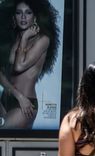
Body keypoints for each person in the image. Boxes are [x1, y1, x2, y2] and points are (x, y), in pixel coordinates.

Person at [0, 0, 60, 129]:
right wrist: (17, 95)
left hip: (26, 104)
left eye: (28, 13)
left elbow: (19, 66)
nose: (23, 17)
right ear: (13, 17)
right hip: (7, 99)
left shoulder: (43, 40)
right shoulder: (13, 38)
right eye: (18, 13)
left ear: (35, 17)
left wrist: (24, 38)